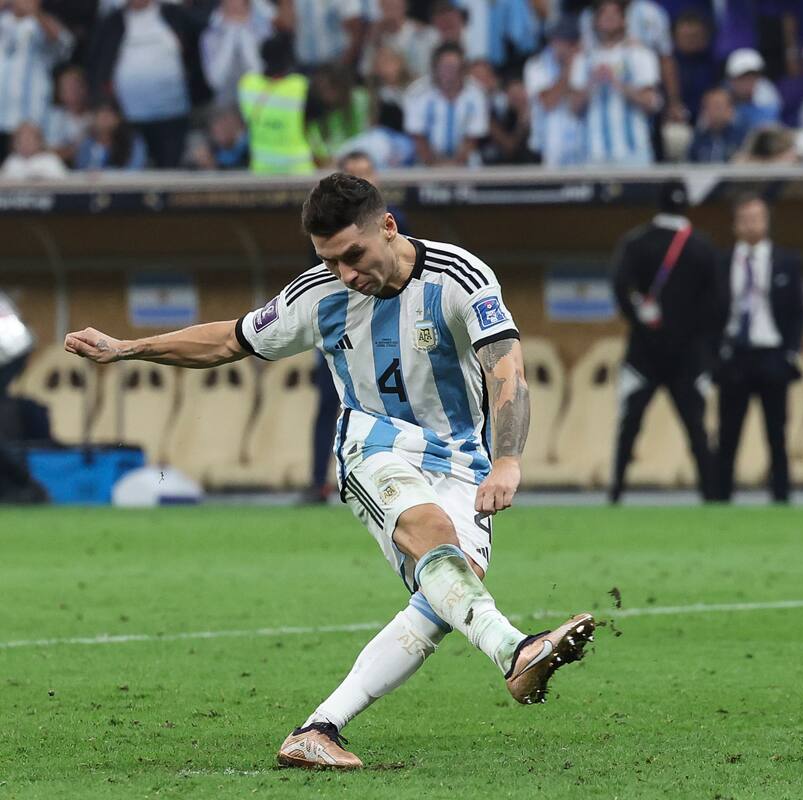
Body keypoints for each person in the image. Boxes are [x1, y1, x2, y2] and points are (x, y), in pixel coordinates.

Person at [63, 172, 595, 769]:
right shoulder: (317, 295)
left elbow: (506, 370)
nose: (345, 273)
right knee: (432, 538)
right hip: (372, 443)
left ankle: (319, 729)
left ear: (388, 228)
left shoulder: (459, 278)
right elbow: (230, 340)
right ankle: (515, 651)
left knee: (449, 595)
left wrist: (507, 460)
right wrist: (128, 347)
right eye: (329, 259)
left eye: (353, 255)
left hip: (462, 457)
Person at [610, 181, 723, 504]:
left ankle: (616, 492)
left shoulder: (636, 242)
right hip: (688, 357)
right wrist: (702, 343)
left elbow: (620, 287)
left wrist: (639, 317)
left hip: (643, 353)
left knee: (629, 427)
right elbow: (717, 303)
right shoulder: (702, 246)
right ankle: (711, 496)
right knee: (697, 431)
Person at [713, 195, 803, 504]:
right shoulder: (722, 262)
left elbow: (797, 312)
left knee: (776, 435)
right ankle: (720, 499)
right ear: (735, 224)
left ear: (767, 221)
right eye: (746, 219)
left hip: (771, 356)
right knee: (727, 435)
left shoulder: (786, 261)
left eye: (758, 218)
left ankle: (781, 498)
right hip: (735, 356)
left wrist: (790, 352)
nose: (752, 224)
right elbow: (710, 313)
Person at [88, 0, 212, 169]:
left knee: (170, 171)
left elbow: (201, 45)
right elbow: (98, 64)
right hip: (129, 117)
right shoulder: (112, 22)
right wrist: (102, 103)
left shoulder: (174, 15)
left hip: (173, 113)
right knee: (133, 174)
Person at [568, 0, 660, 167]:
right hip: (593, 154)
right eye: (604, 13)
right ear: (595, 20)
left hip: (633, 153)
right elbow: (573, 109)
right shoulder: (583, 59)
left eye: (614, 13)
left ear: (624, 20)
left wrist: (617, 83)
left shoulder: (640, 55)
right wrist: (592, 83)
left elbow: (651, 102)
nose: (609, 18)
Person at [0, 0, 74, 163]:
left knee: (26, 177)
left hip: (29, 122)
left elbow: (66, 45)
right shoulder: (3, 20)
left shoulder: (40, 24)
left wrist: (35, 13)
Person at [238, 33, 315, 175]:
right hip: (298, 172)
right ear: (289, 59)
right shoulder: (299, 86)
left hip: (262, 171)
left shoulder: (247, 84)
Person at [405, 42, 488, 166]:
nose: (449, 72)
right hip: (427, 160)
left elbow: (472, 138)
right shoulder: (417, 93)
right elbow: (418, 137)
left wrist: (455, 165)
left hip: (465, 160)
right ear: (435, 68)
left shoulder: (476, 93)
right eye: (445, 67)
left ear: (463, 68)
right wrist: (434, 164)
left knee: (474, 163)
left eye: (453, 67)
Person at [525, 17, 586, 168]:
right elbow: (548, 102)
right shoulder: (536, 66)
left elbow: (579, 103)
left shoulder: (585, 63)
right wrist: (568, 68)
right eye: (557, 40)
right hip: (549, 149)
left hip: (583, 150)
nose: (561, 46)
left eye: (568, 41)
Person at [200, 0, 275, 109]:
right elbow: (215, 81)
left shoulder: (265, 30)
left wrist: (245, 37)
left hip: (261, 103)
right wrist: (229, 37)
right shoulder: (210, 35)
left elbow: (263, 73)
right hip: (227, 108)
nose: (233, 3)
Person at [75, 100, 149, 170]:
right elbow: (81, 169)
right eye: (101, 116)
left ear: (118, 119)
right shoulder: (88, 142)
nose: (105, 121)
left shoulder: (133, 141)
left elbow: (135, 169)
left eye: (108, 116)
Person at [725, 47, 781, 134]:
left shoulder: (767, 94)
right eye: (742, 78)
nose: (748, 83)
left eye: (752, 77)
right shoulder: (719, 95)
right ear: (731, 80)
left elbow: (765, 130)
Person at [688, 86, 744, 162]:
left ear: (730, 109)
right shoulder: (697, 138)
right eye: (709, 106)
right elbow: (689, 164)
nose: (714, 111)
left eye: (718, 106)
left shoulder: (741, 137)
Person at [1, 121, 67, 179]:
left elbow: (63, 186)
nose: (24, 144)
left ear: (39, 141)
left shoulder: (51, 160)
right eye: (20, 141)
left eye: (28, 140)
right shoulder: (12, 161)